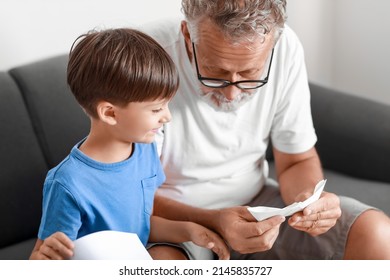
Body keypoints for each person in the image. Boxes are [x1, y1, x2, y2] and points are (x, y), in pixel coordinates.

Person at [142, 0, 390, 259]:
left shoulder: (286, 48)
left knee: (375, 233)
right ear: (187, 35)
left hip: (259, 205)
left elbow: (297, 160)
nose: (232, 93)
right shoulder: (142, 57)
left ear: (273, 42)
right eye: (215, 72)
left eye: (250, 74)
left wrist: (309, 203)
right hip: (176, 220)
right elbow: (130, 192)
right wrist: (215, 221)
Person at [29, 28, 229, 260]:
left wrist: (189, 230)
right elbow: (44, 256)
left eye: (166, 105)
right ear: (110, 113)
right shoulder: (67, 184)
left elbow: (140, 225)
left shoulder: (145, 149)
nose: (167, 117)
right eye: (156, 109)